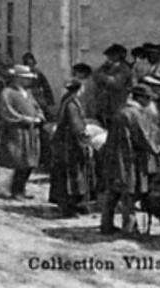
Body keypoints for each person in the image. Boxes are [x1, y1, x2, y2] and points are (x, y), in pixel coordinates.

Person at [97, 83, 160, 235]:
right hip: (128, 159)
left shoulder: (121, 111)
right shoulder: (135, 114)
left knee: (112, 193)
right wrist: (158, 150)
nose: (149, 102)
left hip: (113, 157)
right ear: (139, 98)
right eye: (147, 98)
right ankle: (129, 228)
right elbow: (143, 137)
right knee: (129, 193)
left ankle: (105, 225)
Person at [48, 76, 93, 217]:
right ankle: (69, 207)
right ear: (79, 89)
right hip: (70, 145)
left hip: (66, 143)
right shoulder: (71, 105)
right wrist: (85, 139)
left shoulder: (68, 100)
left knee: (72, 174)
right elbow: (76, 126)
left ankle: (77, 204)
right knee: (72, 174)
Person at [0, 64, 45, 199]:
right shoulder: (7, 92)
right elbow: (7, 111)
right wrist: (25, 119)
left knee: (31, 161)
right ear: (17, 78)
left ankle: (22, 188)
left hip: (31, 132)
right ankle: (16, 191)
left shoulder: (28, 93)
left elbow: (36, 106)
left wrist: (40, 115)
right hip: (17, 132)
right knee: (20, 161)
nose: (29, 81)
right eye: (26, 78)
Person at [94, 44, 133, 128]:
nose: (109, 57)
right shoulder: (105, 67)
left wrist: (103, 76)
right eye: (109, 55)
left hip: (117, 101)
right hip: (105, 103)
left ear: (119, 55)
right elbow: (95, 76)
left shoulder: (124, 68)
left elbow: (116, 83)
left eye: (112, 55)